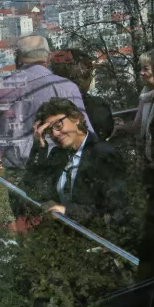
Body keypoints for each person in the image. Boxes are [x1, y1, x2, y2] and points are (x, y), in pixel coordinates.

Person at [22, 97, 126, 226]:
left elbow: (117, 212)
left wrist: (68, 212)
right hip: (65, 236)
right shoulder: (58, 154)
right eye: (49, 131)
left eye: (58, 125)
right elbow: (33, 191)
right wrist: (39, 146)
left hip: (97, 238)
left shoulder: (103, 154)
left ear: (76, 118)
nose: (55, 134)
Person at [0, 35, 94, 169]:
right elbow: (85, 130)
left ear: (19, 58)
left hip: (15, 168)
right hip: (57, 166)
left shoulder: (1, 88)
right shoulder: (65, 86)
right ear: (48, 57)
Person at [52, 48, 114, 139]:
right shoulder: (96, 106)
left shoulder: (50, 107)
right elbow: (104, 131)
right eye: (89, 68)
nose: (91, 74)